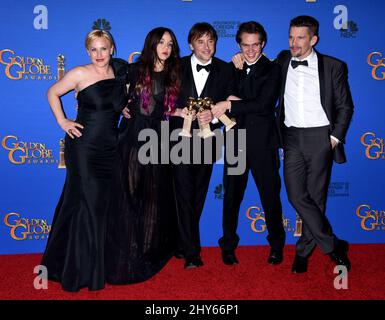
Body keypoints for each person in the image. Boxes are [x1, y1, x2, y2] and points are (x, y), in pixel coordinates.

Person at [41, 29, 128, 292]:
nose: (99, 54)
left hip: (110, 147)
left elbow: (116, 103)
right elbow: (52, 93)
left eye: (104, 48)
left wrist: (121, 107)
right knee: (87, 204)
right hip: (84, 148)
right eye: (94, 50)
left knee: (100, 206)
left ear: (112, 48)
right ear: (87, 51)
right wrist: (62, 121)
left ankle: (93, 263)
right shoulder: (80, 73)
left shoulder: (120, 73)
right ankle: (79, 271)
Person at [276, 16, 354, 273]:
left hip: (321, 138)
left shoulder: (333, 66)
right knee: (296, 195)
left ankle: (303, 252)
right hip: (291, 139)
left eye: (300, 37)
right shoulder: (282, 60)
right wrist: (241, 61)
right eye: (291, 36)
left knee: (316, 198)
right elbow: (257, 69)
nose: (293, 42)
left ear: (313, 39)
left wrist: (333, 139)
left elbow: (345, 106)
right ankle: (332, 245)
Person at [105, 27, 182, 284]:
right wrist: (123, 106)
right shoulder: (135, 70)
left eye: (170, 43)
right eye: (162, 42)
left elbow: (169, 111)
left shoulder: (175, 73)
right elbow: (116, 92)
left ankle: (147, 252)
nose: (166, 47)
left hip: (159, 142)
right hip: (133, 139)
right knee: (128, 196)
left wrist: (182, 113)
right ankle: (127, 253)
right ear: (151, 44)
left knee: (153, 200)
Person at [211, 21, 285, 266]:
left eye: (255, 45)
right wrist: (233, 100)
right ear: (239, 44)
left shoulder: (273, 69)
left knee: (270, 198)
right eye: (246, 45)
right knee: (231, 197)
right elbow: (224, 97)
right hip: (235, 142)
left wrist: (232, 103)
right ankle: (228, 246)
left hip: (264, 144)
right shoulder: (233, 67)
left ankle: (276, 245)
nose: (251, 50)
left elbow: (264, 105)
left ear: (263, 44)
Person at [170, 22, 235, 269]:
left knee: (198, 193)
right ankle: (191, 253)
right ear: (190, 45)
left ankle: (181, 242)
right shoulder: (175, 67)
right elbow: (163, 97)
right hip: (179, 138)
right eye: (200, 41)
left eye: (210, 41)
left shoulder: (226, 69)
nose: (207, 47)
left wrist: (215, 116)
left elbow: (231, 100)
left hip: (209, 139)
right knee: (184, 193)